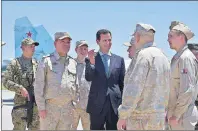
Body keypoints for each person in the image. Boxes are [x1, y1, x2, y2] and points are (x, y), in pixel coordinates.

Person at [117, 23, 170, 130]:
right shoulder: (164, 56)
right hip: (158, 118)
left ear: (137, 36)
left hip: (140, 119)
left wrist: (123, 116)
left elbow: (134, 88)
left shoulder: (143, 55)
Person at [34, 32, 79, 130]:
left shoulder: (73, 63)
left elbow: (76, 86)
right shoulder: (46, 61)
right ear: (55, 44)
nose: (66, 44)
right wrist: (41, 108)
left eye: (68, 42)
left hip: (67, 109)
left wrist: (74, 105)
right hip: (50, 108)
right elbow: (38, 86)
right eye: (63, 42)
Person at [85, 29, 126, 130]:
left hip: (114, 104)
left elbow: (122, 84)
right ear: (97, 42)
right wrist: (92, 63)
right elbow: (88, 77)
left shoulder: (119, 60)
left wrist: (123, 103)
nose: (108, 43)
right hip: (96, 104)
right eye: (105, 40)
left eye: (109, 40)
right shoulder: (91, 58)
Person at [3, 38, 40, 130]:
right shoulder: (14, 63)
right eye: (31, 46)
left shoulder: (37, 63)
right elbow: (5, 80)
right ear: (23, 48)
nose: (33, 48)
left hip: (35, 106)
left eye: (34, 46)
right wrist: (20, 89)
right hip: (21, 106)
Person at [167, 21, 198, 130]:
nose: (167, 39)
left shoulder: (186, 58)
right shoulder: (178, 57)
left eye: (171, 36)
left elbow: (187, 90)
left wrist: (176, 115)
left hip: (183, 116)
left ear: (181, 37)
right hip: (178, 115)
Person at [72, 40, 91, 130]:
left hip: (87, 106)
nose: (83, 51)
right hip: (73, 106)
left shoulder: (91, 66)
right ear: (76, 49)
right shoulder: (70, 64)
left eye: (85, 49)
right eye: (81, 49)